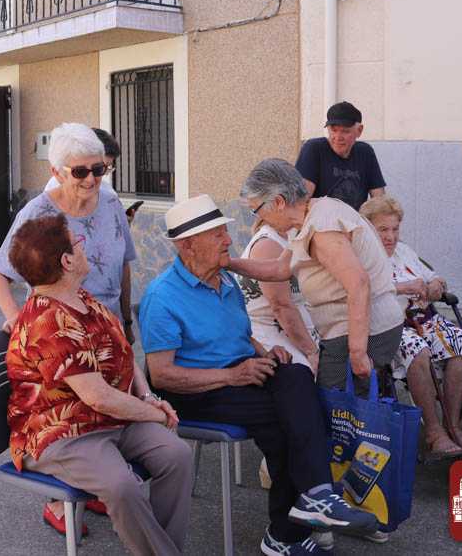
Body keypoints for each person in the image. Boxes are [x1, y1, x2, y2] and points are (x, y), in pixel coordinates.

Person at [140, 195, 379, 556]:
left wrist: (264, 353)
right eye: (218, 235)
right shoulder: (162, 297)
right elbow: (161, 377)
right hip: (196, 392)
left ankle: (313, 499)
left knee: (297, 376)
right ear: (188, 245)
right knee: (288, 419)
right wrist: (232, 376)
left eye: (224, 232)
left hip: (242, 374)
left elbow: (241, 333)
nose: (228, 240)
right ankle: (290, 527)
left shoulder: (224, 280)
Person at [5, 214, 192, 555]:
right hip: (62, 433)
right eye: (77, 242)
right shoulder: (49, 322)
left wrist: (148, 397)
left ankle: (164, 549)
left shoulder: (81, 298)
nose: (84, 245)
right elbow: (99, 397)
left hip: (110, 419)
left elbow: (123, 352)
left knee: (176, 455)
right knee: (122, 486)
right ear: (67, 261)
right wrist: (156, 415)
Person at [0, 121, 137, 535]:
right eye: (80, 172)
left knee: (106, 416)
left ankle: (96, 487)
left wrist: (126, 319)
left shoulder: (110, 203)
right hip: (62, 336)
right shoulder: (38, 214)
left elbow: (123, 264)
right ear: (56, 171)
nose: (91, 180)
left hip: (107, 329)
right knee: (70, 421)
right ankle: (59, 501)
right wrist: (17, 318)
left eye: (98, 170)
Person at [239, 159, 405, 397]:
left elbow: (358, 284)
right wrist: (226, 263)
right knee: (344, 405)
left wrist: (357, 353)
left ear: (278, 202)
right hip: (354, 331)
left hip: (362, 332)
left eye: (257, 209)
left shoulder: (321, 227)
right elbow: (279, 269)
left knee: (336, 408)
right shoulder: (311, 217)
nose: (257, 218)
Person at [360, 196, 462, 456]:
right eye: (383, 229)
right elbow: (361, 291)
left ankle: (453, 425)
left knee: (460, 342)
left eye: (395, 229)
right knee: (418, 350)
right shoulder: (362, 257)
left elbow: (434, 278)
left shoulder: (405, 251)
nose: (391, 236)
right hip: (389, 325)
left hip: (424, 319)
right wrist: (403, 287)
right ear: (368, 229)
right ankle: (434, 432)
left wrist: (435, 285)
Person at [238, 218, 321, 373]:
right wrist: (312, 352)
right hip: (274, 336)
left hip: (298, 332)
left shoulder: (291, 236)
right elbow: (281, 306)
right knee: (304, 375)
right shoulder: (267, 245)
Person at [295, 101, 385, 211]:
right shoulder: (314, 148)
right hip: (321, 219)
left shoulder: (365, 152)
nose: (338, 137)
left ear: (359, 130)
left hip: (355, 220)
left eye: (345, 131)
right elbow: (301, 201)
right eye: (334, 130)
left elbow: (380, 201)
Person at [44, 127, 119, 197]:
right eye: (80, 171)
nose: (90, 179)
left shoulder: (108, 192)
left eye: (100, 170)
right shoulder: (54, 188)